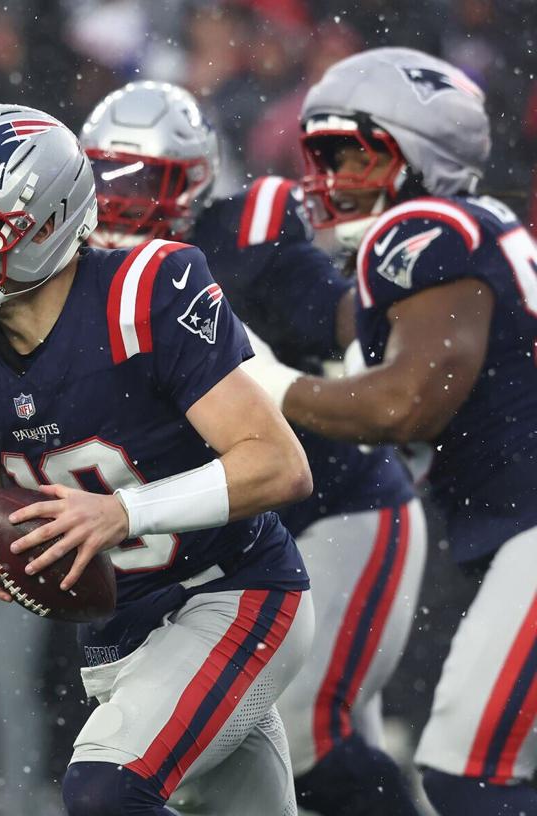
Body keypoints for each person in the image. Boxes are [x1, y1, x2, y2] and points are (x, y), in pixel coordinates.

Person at [0, 103, 314, 815]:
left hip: (232, 590)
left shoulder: (144, 293)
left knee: (104, 792)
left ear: (48, 219)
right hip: (118, 633)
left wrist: (125, 513)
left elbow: (279, 466)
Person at [78, 80, 426, 815]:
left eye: (144, 180)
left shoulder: (246, 239)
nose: (120, 201)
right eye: (105, 177)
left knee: (306, 737)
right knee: (266, 751)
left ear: (196, 179)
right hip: (232, 542)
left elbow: (343, 321)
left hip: (336, 505)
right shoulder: (82, 273)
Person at [242, 47, 537, 815]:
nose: (327, 178)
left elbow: (404, 404)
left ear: (418, 155)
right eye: (321, 157)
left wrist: (263, 384)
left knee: (468, 769)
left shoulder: (423, 228)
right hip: (514, 524)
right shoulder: (471, 228)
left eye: (349, 155)